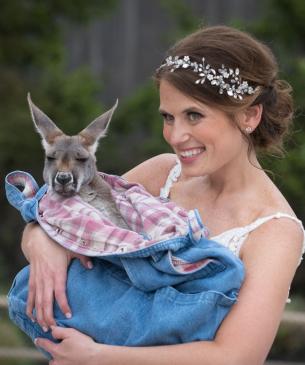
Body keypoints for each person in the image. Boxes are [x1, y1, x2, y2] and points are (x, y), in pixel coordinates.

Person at [19, 25, 304, 365]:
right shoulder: (161, 174)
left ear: (249, 115)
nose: (177, 135)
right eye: (169, 117)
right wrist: (43, 242)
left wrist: (97, 356)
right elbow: (62, 217)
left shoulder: (275, 231)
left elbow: (237, 356)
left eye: (194, 115)